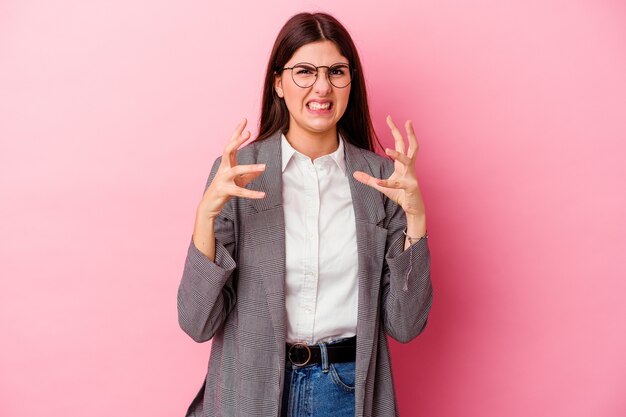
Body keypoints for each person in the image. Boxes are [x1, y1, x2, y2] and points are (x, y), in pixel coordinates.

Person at [177, 12, 433, 417]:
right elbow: (197, 323)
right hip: (254, 390)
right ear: (278, 82)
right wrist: (204, 219)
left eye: (336, 71)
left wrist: (416, 223)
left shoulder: (382, 179)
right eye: (304, 71)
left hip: (346, 391)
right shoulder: (239, 173)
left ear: (351, 82)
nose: (322, 86)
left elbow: (405, 326)